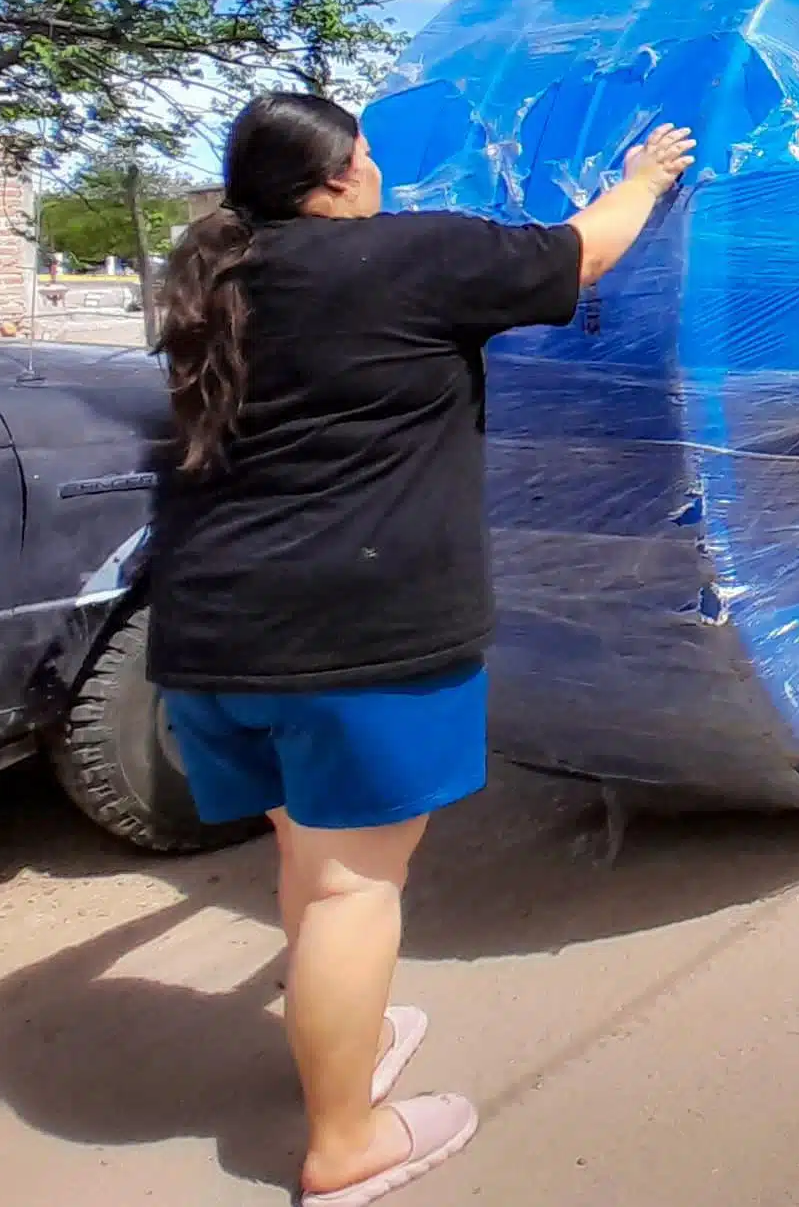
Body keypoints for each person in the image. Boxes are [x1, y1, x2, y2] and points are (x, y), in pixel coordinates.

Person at [146, 93, 695, 1206]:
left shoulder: (212, 284)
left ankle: (337, 1042)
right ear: (343, 174)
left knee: (309, 852)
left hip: (207, 637)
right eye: (371, 157)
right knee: (355, 888)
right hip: (355, 638)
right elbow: (580, 254)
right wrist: (644, 179)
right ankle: (345, 1144)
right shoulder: (409, 257)